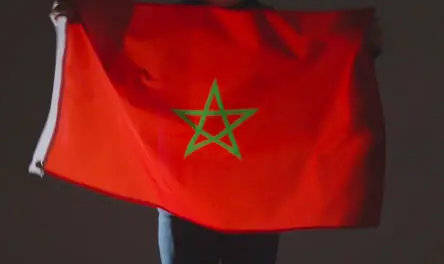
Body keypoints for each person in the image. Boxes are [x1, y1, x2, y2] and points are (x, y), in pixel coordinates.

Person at [51, 1, 383, 264]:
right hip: (182, 196)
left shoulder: (268, 26)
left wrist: (356, 45)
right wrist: (82, 22)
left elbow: (313, 76)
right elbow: (125, 60)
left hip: (253, 199)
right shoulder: (173, 21)